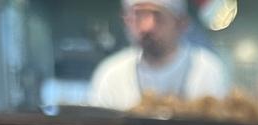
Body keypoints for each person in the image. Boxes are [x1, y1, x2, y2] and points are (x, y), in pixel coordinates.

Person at [90, 0, 229, 111]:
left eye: (158, 16)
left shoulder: (207, 71)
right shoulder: (111, 75)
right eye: (138, 16)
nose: (147, 27)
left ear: (181, 23)